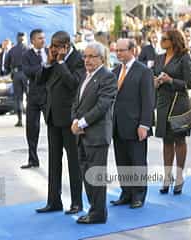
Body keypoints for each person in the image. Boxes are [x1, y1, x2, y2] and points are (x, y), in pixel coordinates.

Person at [36, 31, 84, 214]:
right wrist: (49, 63)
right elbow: (40, 81)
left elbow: (73, 84)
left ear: (66, 46)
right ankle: (54, 201)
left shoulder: (77, 60)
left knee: (74, 162)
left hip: (69, 119)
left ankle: (76, 202)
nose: (52, 49)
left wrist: (61, 62)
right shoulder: (53, 59)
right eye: (52, 45)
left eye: (56, 46)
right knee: (54, 162)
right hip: (52, 117)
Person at [71, 42, 117, 224]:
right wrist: (74, 120)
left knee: (96, 176)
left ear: (101, 58)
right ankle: (94, 210)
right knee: (86, 175)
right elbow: (76, 102)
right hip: (81, 135)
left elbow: (103, 105)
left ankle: (98, 214)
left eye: (92, 56)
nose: (87, 60)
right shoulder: (85, 76)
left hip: (97, 135)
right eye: (85, 56)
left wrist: (82, 122)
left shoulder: (107, 77)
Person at [110, 38, 155, 209]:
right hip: (117, 125)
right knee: (121, 161)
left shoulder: (143, 72)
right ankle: (126, 193)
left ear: (132, 50)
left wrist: (145, 124)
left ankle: (138, 195)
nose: (119, 53)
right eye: (117, 50)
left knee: (137, 161)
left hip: (136, 126)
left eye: (122, 50)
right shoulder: (114, 71)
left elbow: (148, 100)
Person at [154, 29, 191, 195]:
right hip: (163, 102)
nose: (161, 41)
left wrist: (170, 80)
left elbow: (189, 84)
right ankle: (167, 177)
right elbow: (154, 75)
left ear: (173, 41)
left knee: (179, 139)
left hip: (179, 103)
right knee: (166, 141)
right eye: (161, 38)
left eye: (164, 39)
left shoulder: (184, 58)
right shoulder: (159, 57)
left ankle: (179, 177)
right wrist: (155, 81)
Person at [21, 29, 47, 169]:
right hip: (34, 96)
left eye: (43, 38)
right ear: (32, 41)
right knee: (32, 128)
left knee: (54, 127)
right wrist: (44, 66)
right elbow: (28, 72)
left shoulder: (50, 52)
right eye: (39, 38)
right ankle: (32, 159)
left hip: (49, 95)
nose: (43, 40)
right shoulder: (26, 55)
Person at [5, 32, 28, 127]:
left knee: (18, 98)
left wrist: (10, 72)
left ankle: (20, 120)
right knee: (30, 97)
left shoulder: (12, 50)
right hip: (27, 74)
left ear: (17, 39)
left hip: (16, 74)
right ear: (24, 39)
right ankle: (30, 118)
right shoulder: (28, 49)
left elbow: (6, 64)